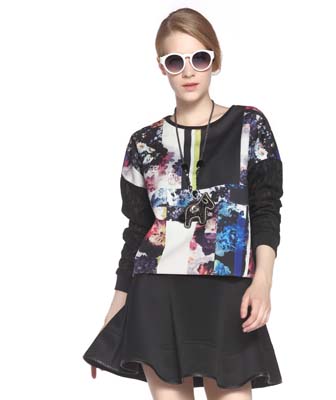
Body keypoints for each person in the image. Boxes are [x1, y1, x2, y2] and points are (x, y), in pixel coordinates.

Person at [83, 7, 284, 400]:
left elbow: (266, 210)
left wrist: (263, 281)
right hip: (157, 297)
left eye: (199, 58)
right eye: (176, 61)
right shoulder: (144, 143)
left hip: (229, 293)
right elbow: (137, 231)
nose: (188, 71)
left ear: (215, 61)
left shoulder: (249, 126)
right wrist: (116, 308)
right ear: (163, 68)